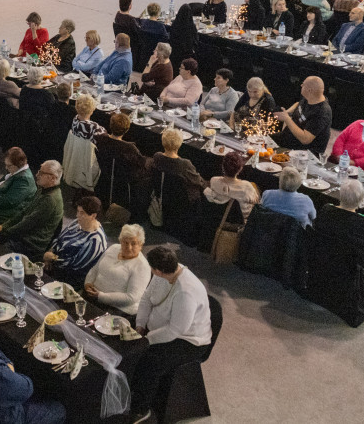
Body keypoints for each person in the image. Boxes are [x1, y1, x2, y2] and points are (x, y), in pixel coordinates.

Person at [130, 247, 212, 424]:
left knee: (150, 362)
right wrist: (140, 325)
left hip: (189, 341)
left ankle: (141, 409)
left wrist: (147, 340)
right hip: (161, 329)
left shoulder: (186, 292)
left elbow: (175, 330)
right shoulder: (165, 273)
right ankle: (131, 388)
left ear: (158, 270)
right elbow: (146, 298)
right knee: (123, 331)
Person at [0, 160, 64, 259]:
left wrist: (5, 233)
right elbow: (25, 212)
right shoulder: (43, 189)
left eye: (41, 173)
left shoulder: (50, 200)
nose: (37, 175)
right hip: (25, 235)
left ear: (52, 178)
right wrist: (4, 226)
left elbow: (28, 224)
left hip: (31, 245)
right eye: (39, 171)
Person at [313, 180, 364, 269]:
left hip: (322, 259)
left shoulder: (326, 209)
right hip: (352, 268)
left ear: (340, 195)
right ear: (361, 199)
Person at [84, 223, 151, 316]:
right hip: (93, 297)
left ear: (141, 245)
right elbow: (95, 269)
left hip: (117, 309)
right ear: (120, 241)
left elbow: (131, 297)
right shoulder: (113, 248)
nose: (129, 247)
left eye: (133, 243)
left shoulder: (142, 267)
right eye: (125, 242)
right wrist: (88, 283)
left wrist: (101, 296)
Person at [43, 196, 107, 285]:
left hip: (70, 278)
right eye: (78, 211)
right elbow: (59, 238)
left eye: (82, 213)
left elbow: (75, 265)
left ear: (93, 215)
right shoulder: (77, 222)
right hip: (55, 265)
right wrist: (50, 252)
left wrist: (51, 258)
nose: (77, 215)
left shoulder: (95, 240)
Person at [274, 76, 332, 155]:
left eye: (303, 84)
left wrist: (287, 119)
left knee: (267, 154)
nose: (301, 85)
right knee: (263, 140)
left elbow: (305, 139)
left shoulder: (322, 112)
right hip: (288, 138)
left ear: (309, 90)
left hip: (302, 151)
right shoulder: (311, 98)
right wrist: (287, 112)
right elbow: (298, 104)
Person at [204, 151, 260, 220]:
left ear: (222, 167)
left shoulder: (214, 181)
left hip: (219, 218)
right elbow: (256, 204)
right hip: (241, 222)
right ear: (240, 169)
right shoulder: (247, 187)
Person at [149, 128, 207, 193]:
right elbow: (197, 181)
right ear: (179, 144)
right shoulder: (185, 164)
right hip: (182, 196)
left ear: (163, 142)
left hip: (162, 192)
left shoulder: (157, 156)